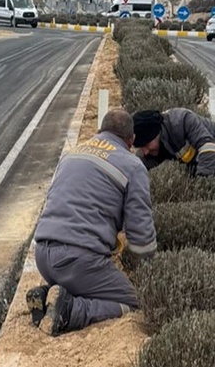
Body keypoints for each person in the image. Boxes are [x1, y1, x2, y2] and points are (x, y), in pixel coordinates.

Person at [27, 109, 157, 336]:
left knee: (87, 282)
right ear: (131, 140)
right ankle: (71, 311)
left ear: (100, 131)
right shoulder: (133, 166)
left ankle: (47, 295)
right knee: (135, 301)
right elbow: (141, 235)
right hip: (77, 260)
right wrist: (144, 268)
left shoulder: (72, 154)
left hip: (43, 256)